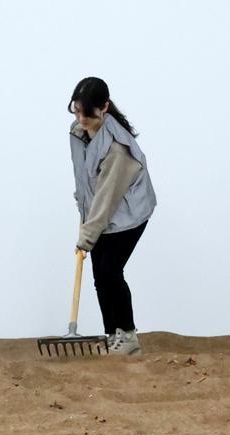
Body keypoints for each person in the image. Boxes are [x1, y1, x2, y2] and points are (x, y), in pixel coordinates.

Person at [69, 77, 156, 355]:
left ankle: (128, 336)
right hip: (100, 210)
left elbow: (108, 198)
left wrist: (87, 236)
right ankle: (113, 335)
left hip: (129, 213)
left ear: (104, 107)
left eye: (87, 111)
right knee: (99, 274)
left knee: (110, 271)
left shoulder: (118, 147)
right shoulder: (78, 132)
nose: (81, 117)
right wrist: (83, 207)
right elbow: (87, 177)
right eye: (76, 109)